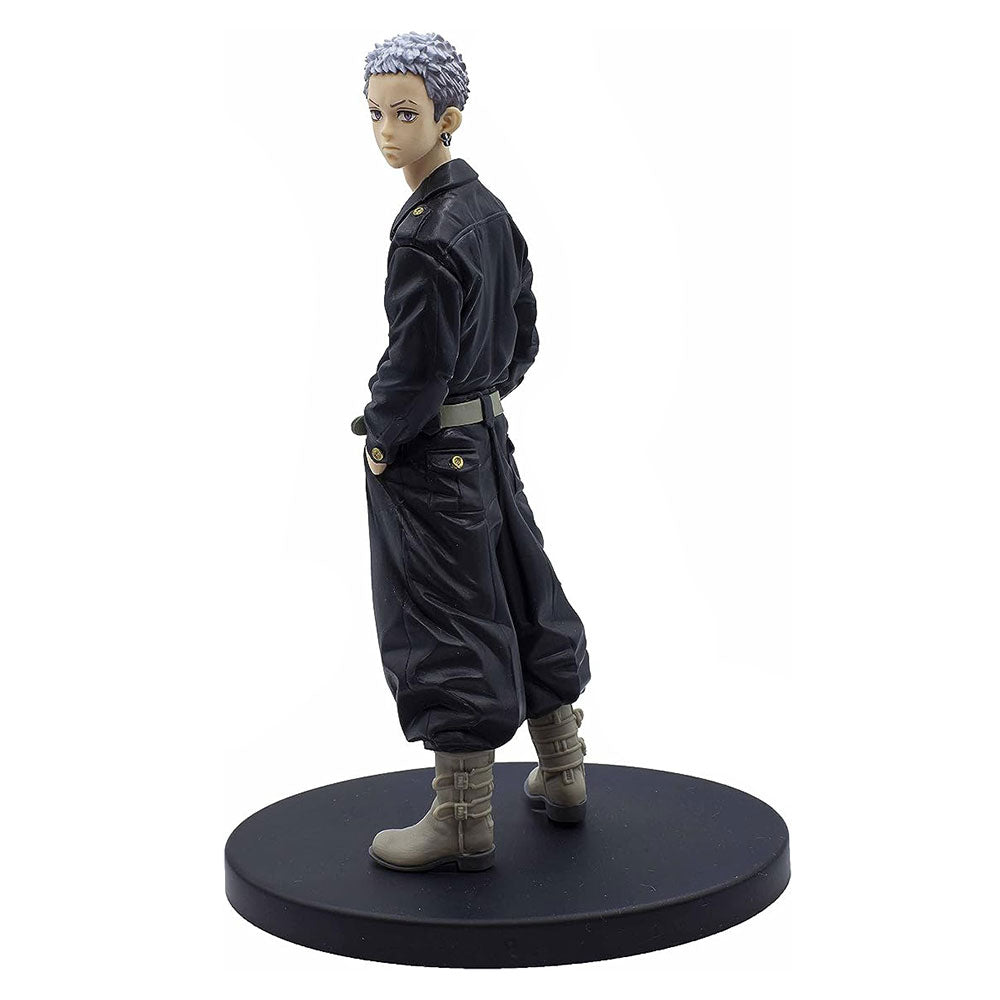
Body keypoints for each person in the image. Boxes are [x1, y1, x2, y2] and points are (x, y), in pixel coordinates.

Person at [358, 32, 590, 872]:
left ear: (447, 117)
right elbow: (524, 330)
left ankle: (462, 818)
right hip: (487, 437)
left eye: (406, 112)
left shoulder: (428, 233)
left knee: (447, 619)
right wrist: (485, 396)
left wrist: (383, 435)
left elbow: (415, 366)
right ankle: (563, 771)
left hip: (435, 452)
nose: (387, 131)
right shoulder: (488, 209)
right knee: (524, 590)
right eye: (375, 113)